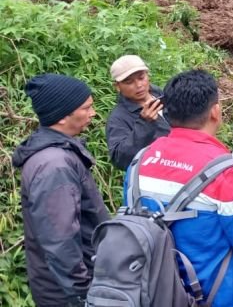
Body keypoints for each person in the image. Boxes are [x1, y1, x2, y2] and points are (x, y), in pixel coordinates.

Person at [135, 70, 233, 306]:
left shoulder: (139, 162)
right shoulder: (229, 174)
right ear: (215, 112)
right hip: (222, 298)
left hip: (158, 294)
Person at [12, 74, 110, 306]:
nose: (93, 113)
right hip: (66, 293)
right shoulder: (55, 165)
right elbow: (61, 241)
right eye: (86, 108)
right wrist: (83, 295)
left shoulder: (55, 154)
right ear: (63, 115)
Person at [105, 55, 170, 170]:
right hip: (156, 173)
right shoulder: (118, 118)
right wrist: (144, 123)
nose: (139, 85)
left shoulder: (163, 95)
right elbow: (120, 159)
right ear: (117, 86)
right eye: (129, 82)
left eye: (141, 78)